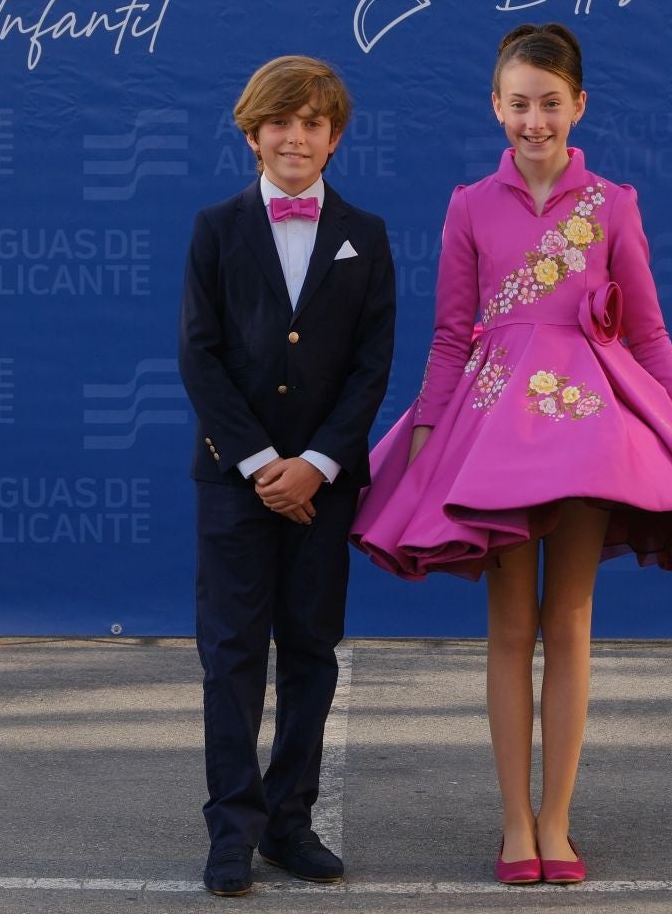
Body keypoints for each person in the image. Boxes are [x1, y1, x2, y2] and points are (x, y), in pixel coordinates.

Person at [351, 23, 672, 885]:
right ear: (496, 105)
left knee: (569, 622)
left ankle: (557, 822)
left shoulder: (614, 204)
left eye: (551, 104)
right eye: (519, 104)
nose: (535, 121)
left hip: (588, 435)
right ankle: (513, 825)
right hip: (495, 436)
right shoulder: (468, 204)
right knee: (510, 627)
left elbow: (648, 333)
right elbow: (451, 337)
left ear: (579, 106)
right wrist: (425, 443)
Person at [178, 55, 396, 897]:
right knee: (232, 652)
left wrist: (317, 464)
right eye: (280, 122)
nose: (295, 136)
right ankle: (231, 827)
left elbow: (370, 366)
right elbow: (198, 357)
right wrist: (267, 465)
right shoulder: (215, 229)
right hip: (234, 482)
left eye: (312, 123)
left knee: (310, 647)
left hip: (327, 485)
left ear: (334, 137)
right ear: (252, 132)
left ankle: (290, 822)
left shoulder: (365, 235)